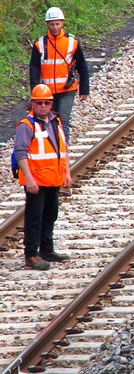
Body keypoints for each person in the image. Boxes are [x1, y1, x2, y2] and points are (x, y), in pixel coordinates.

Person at [14, 84, 72, 270]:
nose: (43, 106)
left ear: (51, 103)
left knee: (50, 215)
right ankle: (31, 254)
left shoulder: (56, 121)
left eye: (47, 103)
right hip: (36, 181)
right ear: (32, 103)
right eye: (39, 103)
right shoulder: (26, 125)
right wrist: (29, 179)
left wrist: (67, 172)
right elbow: (20, 153)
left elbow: (62, 148)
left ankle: (47, 250)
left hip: (53, 178)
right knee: (34, 218)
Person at [29, 6, 90, 142]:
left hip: (67, 89)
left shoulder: (72, 42)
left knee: (63, 120)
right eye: (52, 24)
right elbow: (34, 69)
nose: (55, 27)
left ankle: (63, 149)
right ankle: (52, 147)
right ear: (47, 24)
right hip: (46, 92)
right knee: (48, 121)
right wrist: (35, 92)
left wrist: (84, 90)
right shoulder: (39, 44)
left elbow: (82, 67)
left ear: (62, 23)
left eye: (57, 24)